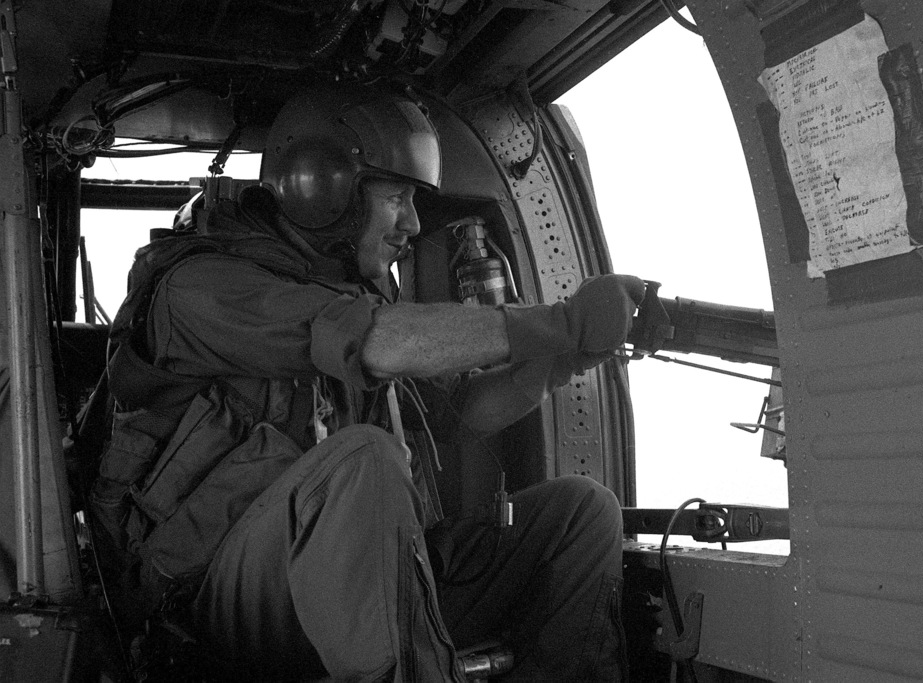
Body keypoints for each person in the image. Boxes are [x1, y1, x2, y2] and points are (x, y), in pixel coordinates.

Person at [90, 84, 644, 681]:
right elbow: (372, 340)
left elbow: (462, 414)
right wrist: (560, 321)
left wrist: (564, 357)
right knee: (364, 460)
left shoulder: (350, 293)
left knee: (582, 513)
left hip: (367, 579)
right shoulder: (203, 289)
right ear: (323, 189)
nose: (410, 224)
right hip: (216, 593)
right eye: (397, 197)